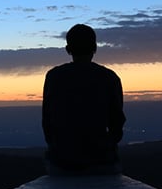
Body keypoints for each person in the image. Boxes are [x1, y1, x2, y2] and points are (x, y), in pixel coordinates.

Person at [42, 24, 126, 175]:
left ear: (68, 49)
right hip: (102, 160)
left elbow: (47, 121)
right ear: (95, 47)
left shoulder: (54, 77)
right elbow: (117, 122)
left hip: (62, 161)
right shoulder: (109, 77)